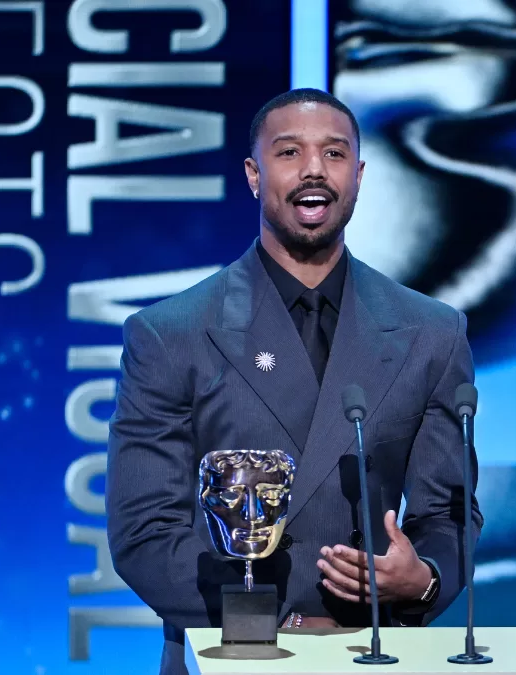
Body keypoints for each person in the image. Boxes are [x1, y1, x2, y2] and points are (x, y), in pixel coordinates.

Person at [107, 88, 481, 675]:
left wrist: (424, 579)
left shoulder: (431, 334)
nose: (314, 169)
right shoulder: (171, 335)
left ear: (358, 176)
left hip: (375, 655)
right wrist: (275, 623)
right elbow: (146, 533)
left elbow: (448, 514)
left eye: (334, 155)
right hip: (227, 655)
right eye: (289, 152)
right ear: (255, 176)